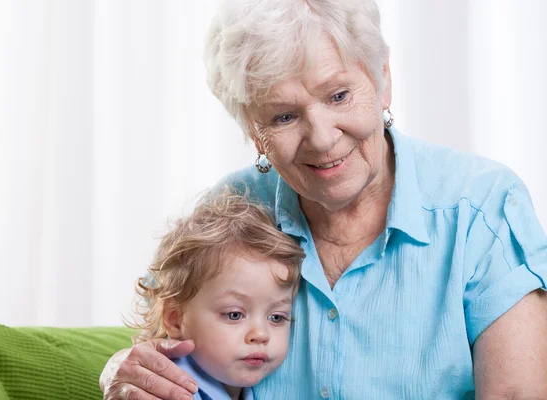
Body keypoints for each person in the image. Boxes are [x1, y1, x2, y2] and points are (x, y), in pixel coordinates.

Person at [100, 0, 547, 398]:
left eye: (338, 95)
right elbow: (157, 349)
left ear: (383, 80)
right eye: (283, 115)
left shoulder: (482, 206)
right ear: (252, 131)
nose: (321, 138)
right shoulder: (226, 213)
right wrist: (121, 375)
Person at [129, 189, 304, 400]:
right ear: (175, 320)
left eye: (276, 317)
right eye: (234, 315)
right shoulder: (169, 391)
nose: (261, 335)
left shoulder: (243, 387)